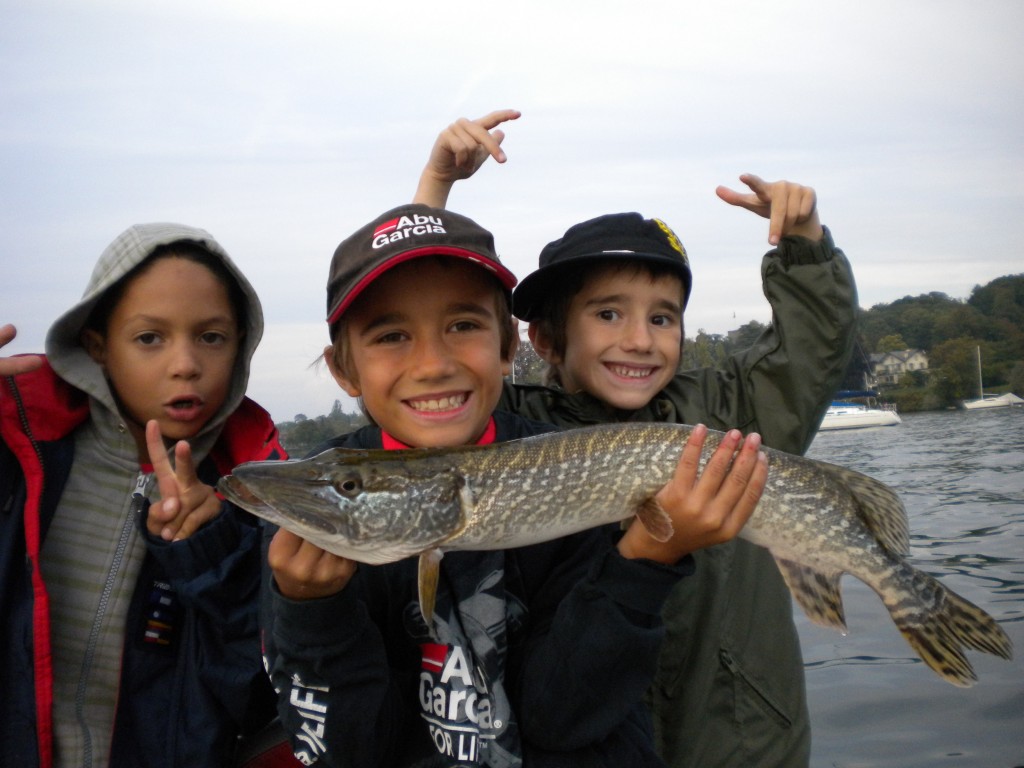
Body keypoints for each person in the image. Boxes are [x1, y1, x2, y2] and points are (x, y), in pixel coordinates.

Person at [414, 111, 859, 767]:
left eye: (663, 317)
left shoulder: (732, 409)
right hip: (596, 739)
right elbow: (426, 366)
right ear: (545, 338)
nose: (641, 340)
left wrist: (806, 248)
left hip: (743, 739)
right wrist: (434, 192)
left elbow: (813, 347)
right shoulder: (513, 428)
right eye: (607, 313)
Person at [260, 203, 770, 767]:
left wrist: (648, 559)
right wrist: (313, 613)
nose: (432, 364)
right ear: (344, 369)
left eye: (463, 326)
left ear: (507, 349)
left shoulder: (568, 468)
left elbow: (565, 718)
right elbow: (344, 755)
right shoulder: (312, 519)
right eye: (391, 335)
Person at [0, 224, 289, 768]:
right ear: (97, 347)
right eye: (149, 338)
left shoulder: (257, 496)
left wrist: (210, 554)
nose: (185, 363)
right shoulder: (17, 454)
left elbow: (253, 695)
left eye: (211, 336)